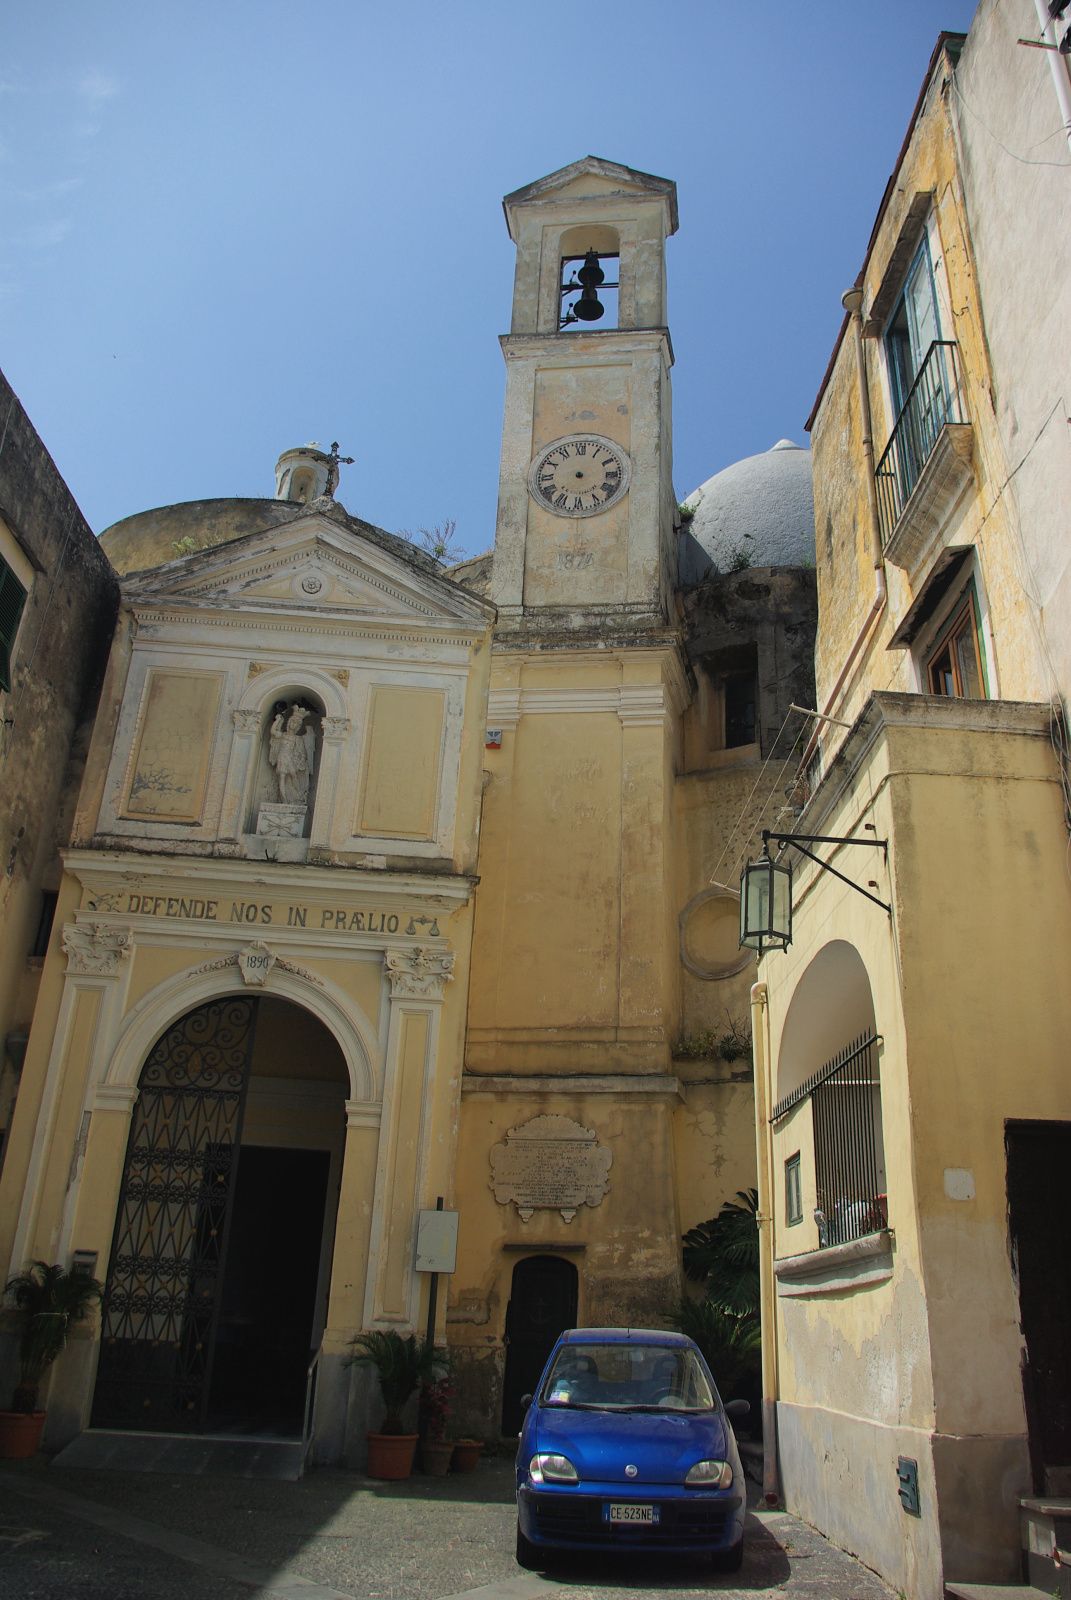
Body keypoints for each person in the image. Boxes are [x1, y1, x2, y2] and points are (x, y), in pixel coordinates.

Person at [268, 705, 314, 806]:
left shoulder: (298, 738)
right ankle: (284, 800)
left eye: (297, 723)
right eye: (293, 722)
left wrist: (301, 761)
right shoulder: (283, 735)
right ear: (289, 722)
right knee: (282, 778)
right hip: (282, 757)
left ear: (299, 726)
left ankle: (299, 795)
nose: (294, 724)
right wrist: (278, 719)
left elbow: (301, 753)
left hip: (290, 758)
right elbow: (273, 732)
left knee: (293, 775)